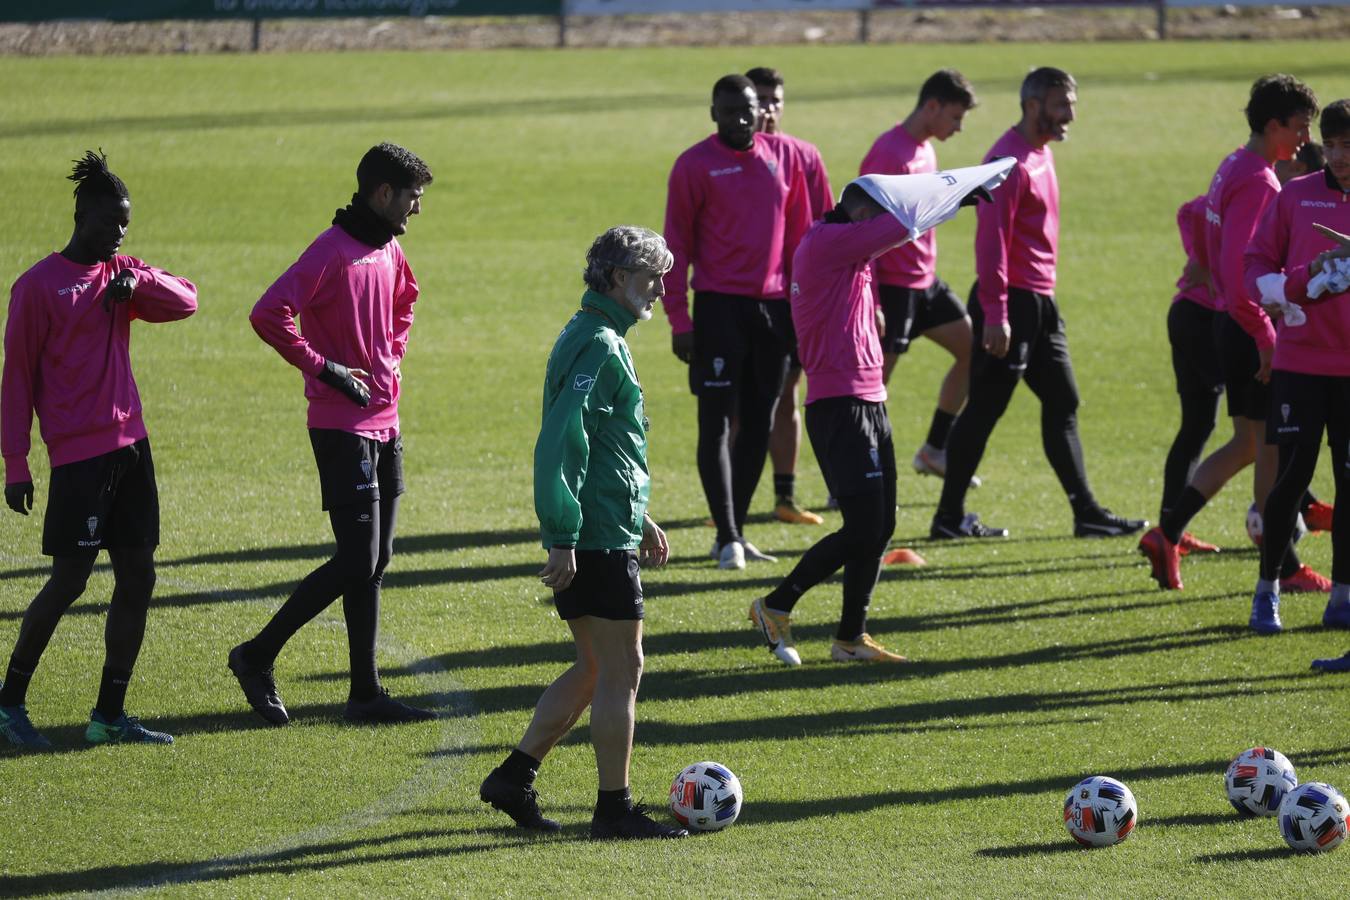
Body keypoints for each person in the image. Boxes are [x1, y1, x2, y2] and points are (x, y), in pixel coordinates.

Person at [749, 161, 1011, 666]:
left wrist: (957, 202)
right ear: (862, 212)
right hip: (840, 404)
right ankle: (776, 603)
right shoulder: (828, 240)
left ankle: (850, 639)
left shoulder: (850, 249)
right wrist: (960, 193)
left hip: (869, 401)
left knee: (881, 524)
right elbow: (900, 226)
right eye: (878, 217)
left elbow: (894, 232)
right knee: (865, 527)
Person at [479, 226, 688, 840]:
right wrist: (565, 533)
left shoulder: (593, 333)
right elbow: (561, 439)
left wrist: (636, 514)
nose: (660, 288)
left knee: (594, 666)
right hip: (593, 536)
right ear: (619, 278)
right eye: (651, 276)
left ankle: (513, 778)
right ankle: (613, 809)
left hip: (604, 524)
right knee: (625, 666)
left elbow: (600, 446)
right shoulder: (598, 343)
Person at [228, 143, 435, 727]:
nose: (417, 210)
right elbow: (269, 313)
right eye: (412, 197)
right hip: (340, 425)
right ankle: (256, 655)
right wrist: (326, 368)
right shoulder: (330, 249)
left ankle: (365, 694)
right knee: (355, 558)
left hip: (385, 421)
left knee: (377, 557)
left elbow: (405, 302)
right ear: (384, 193)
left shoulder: (389, 247)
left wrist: (391, 359)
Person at [0, 151, 197, 748]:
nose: (119, 233)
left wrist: (141, 281)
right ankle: (9, 704)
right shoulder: (38, 287)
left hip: (131, 449)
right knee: (70, 580)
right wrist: (15, 462)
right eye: (112, 222)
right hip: (79, 459)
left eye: (126, 225)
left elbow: (186, 299)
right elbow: (17, 380)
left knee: (139, 577)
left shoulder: (122, 274)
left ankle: (109, 714)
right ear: (82, 214)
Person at [929, 67, 1145, 540]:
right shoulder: (1007, 162)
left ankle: (1085, 512)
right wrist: (997, 314)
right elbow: (991, 242)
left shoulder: (1040, 154)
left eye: (1072, 105)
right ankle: (947, 518)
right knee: (985, 408)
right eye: (1061, 105)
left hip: (1041, 302)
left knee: (1063, 400)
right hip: (1011, 305)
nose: (1069, 115)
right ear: (1032, 107)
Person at [1139, 75, 1328, 592]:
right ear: (1273, 125)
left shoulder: (1233, 163)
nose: (1305, 141)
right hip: (1246, 327)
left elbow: (1203, 230)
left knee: (1248, 443)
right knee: (1267, 447)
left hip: (1227, 320)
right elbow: (1243, 269)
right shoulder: (1262, 181)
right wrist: (1267, 339)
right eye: (1299, 127)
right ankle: (1284, 567)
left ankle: (1167, 532)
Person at [663, 73, 813, 570]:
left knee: (760, 422)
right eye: (729, 111)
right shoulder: (693, 165)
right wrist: (679, 319)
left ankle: (737, 532)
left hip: (773, 311)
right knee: (716, 422)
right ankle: (726, 532)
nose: (741, 118)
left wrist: (800, 308)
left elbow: (799, 241)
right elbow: (675, 246)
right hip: (717, 309)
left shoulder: (782, 158)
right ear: (714, 114)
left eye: (747, 108)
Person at [1241, 98, 1350, 634]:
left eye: (1347, 147)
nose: (1337, 157)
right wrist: (1298, 284)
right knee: (1291, 480)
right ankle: (1268, 591)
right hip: (1301, 363)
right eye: (1329, 146)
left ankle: (1344, 598)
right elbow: (1255, 265)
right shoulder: (1295, 196)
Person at [860, 68, 981, 487]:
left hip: (925, 282)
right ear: (932, 106)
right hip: (893, 287)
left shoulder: (926, 149)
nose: (959, 128)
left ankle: (934, 449)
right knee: (873, 387)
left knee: (974, 349)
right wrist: (872, 301)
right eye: (955, 117)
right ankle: (854, 479)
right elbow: (862, 230)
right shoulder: (889, 154)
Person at [746, 66, 834, 526]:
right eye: (761, 98)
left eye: (776, 99)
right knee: (738, 400)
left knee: (787, 393)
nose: (769, 108)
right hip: (740, 296)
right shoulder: (724, 159)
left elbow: (831, 226)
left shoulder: (804, 155)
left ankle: (785, 497)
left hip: (793, 296)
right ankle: (731, 503)